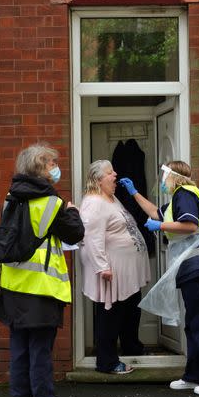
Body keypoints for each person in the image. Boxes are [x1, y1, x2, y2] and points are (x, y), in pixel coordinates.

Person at [119, 161, 199, 395]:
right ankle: (195, 376)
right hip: (195, 268)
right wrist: (135, 193)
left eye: (164, 176)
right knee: (194, 325)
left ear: (173, 176)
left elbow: (189, 225)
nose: (162, 180)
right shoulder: (178, 199)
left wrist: (159, 226)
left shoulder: (185, 194)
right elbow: (155, 212)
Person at [0, 142, 84, 397]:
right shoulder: (52, 202)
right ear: (40, 169)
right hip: (42, 290)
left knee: (19, 352)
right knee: (40, 355)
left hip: (12, 287)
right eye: (51, 164)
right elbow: (75, 232)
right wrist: (72, 211)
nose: (55, 169)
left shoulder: (11, 198)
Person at [79, 160, 151, 375]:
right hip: (111, 271)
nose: (115, 175)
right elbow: (92, 238)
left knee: (130, 309)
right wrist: (102, 267)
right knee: (110, 315)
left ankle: (131, 347)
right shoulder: (94, 202)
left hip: (127, 271)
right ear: (98, 180)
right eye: (110, 173)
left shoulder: (111, 197)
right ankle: (107, 362)